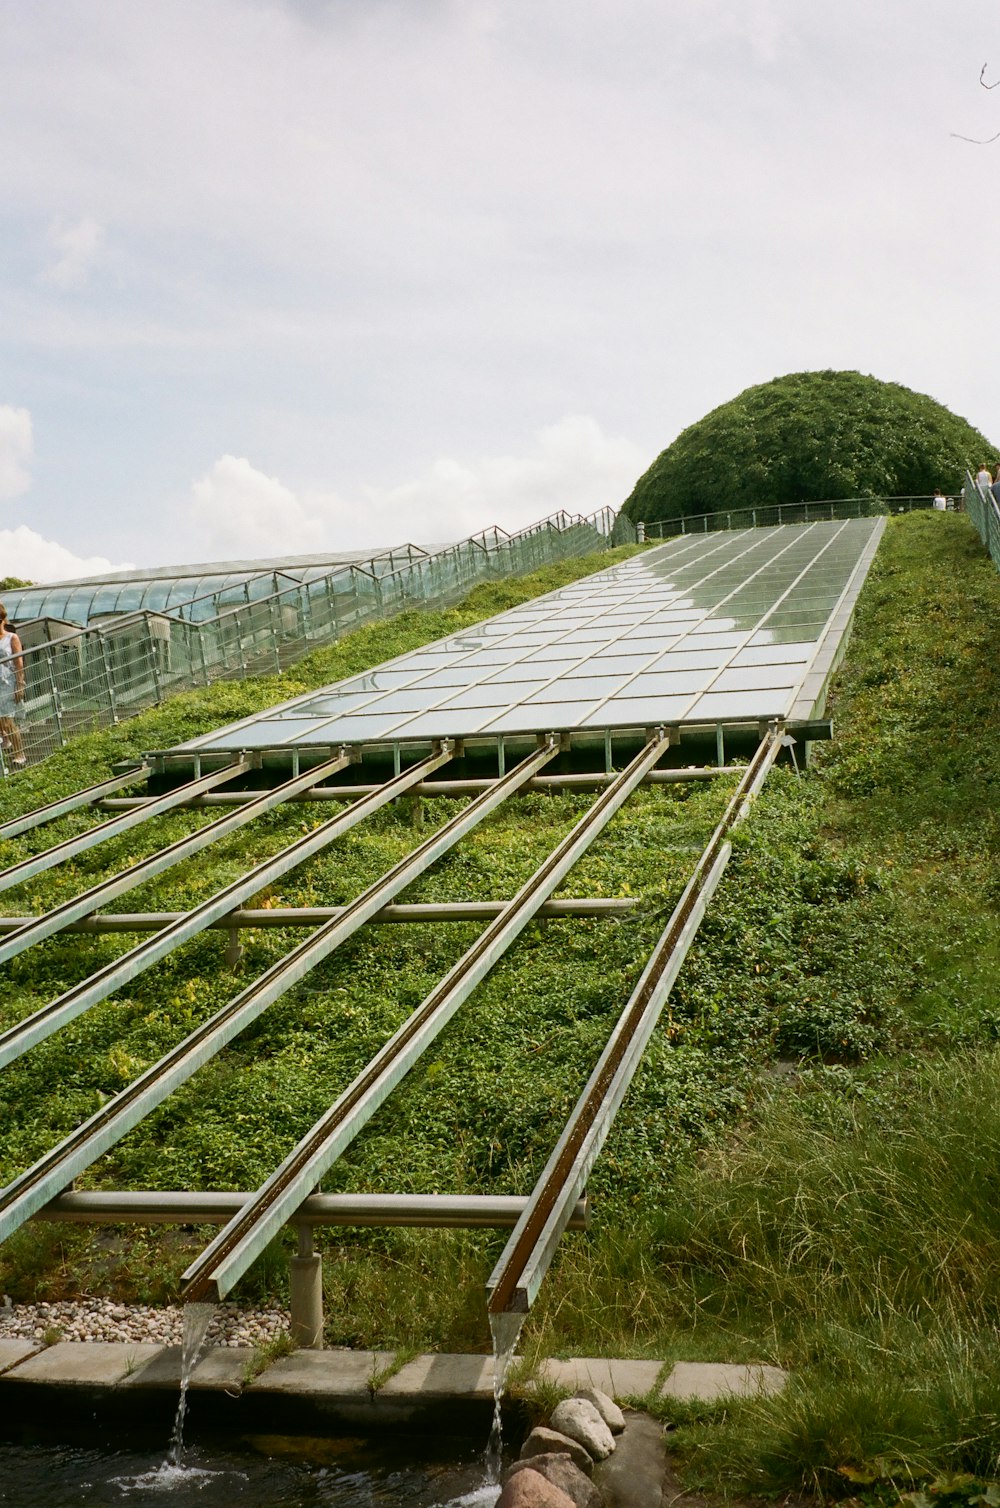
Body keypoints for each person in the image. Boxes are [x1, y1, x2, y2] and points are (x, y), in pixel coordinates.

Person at [0, 603, 26, 768]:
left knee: (8, 721)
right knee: (2, 721)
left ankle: (19, 754)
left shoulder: (11, 638)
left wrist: (20, 684)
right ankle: (6, 741)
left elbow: (19, 663)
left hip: (8, 683)